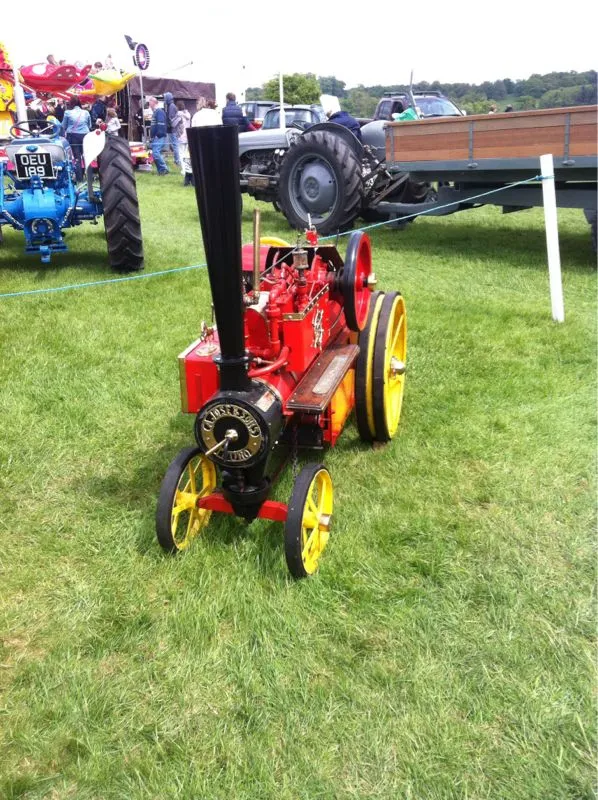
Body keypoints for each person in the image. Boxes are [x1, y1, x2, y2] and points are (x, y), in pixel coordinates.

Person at [61, 96, 91, 181]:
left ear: (71, 103)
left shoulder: (67, 113)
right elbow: (89, 125)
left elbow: (63, 126)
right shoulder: (86, 112)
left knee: (77, 157)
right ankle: (89, 176)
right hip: (85, 135)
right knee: (86, 156)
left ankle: (79, 177)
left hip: (73, 136)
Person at [173, 100, 192, 185]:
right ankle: (188, 169)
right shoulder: (187, 113)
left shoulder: (178, 114)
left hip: (180, 136)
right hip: (187, 136)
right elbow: (189, 119)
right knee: (187, 154)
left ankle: (184, 170)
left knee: (181, 154)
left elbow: (173, 124)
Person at [148, 96, 169, 175]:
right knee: (155, 153)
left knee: (156, 153)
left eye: (150, 102)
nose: (149, 104)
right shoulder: (156, 112)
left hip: (159, 136)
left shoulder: (159, 111)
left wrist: (158, 134)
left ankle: (164, 169)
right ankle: (161, 171)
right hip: (156, 136)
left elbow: (161, 124)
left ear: (154, 102)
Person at [163, 91, 181, 167]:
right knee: (174, 145)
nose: (164, 99)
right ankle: (177, 160)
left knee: (175, 145)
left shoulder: (171, 106)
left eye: (165, 98)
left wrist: (167, 125)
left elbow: (171, 119)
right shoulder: (170, 105)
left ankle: (177, 161)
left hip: (172, 130)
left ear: (168, 98)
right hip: (172, 130)